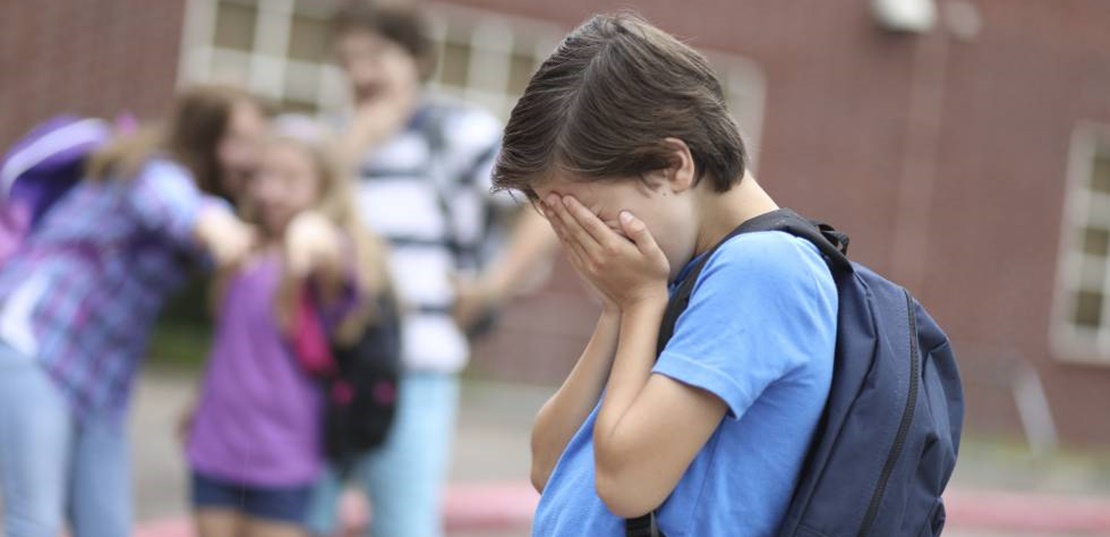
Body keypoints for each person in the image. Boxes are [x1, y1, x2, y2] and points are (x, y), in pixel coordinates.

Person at [491, 14, 839, 536]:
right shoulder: (679, 275)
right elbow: (549, 463)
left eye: (594, 217)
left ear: (674, 165)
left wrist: (638, 302)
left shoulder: (761, 272)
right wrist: (618, 309)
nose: (587, 244)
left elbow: (627, 482)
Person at [305, 4, 557, 537]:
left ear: (417, 59)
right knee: (304, 518)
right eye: (348, 60)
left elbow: (543, 206)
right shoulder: (323, 142)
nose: (360, 74)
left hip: (416, 366)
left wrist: (493, 287)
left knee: (403, 524)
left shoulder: (459, 134)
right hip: (319, 366)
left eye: (375, 57)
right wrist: (352, 149)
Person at [0, 84, 265, 537]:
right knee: (35, 518)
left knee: (107, 526)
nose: (250, 156)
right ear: (203, 137)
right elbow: (177, 208)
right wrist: (218, 226)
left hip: (101, 380)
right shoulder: (149, 171)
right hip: (36, 345)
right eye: (237, 140)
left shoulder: (198, 189)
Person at [184, 116, 391, 537]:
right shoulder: (242, 249)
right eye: (264, 176)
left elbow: (326, 249)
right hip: (214, 446)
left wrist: (309, 238)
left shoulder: (328, 254)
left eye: (291, 179)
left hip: (285, 458)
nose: (270, 191)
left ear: (324, 186)